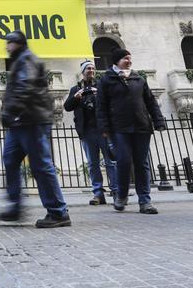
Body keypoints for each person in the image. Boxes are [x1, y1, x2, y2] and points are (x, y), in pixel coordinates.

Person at [0, 30, 72, 228]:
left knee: (41, 165)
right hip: (19, 122)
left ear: (18, 43)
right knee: (10, 160)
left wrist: (9, 111)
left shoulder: (26, 59)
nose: (6, 47)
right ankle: (15, 207)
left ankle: (58, 212)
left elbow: (25, 88)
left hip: (32, 121)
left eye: (9, 43)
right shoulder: (20, 60)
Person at [96, 49, 166, 214]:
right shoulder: (106, 80)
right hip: (119, 127)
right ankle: (121, 196)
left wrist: (158, 121)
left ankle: (145, 201)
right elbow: (101, 106)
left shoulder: (139, 79)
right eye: (125, 59)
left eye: (130, 58)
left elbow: (150, 102)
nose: (129, 61)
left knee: (142, 163)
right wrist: (104, 128)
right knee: (124, 161)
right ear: (117, 61)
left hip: (141, 126)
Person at [64, 60, 117, 205]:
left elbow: (112, 102)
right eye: (88, 68)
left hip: (103, 130)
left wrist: (99, 94)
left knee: (110, 162)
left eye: (93, 68)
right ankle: (98, 193)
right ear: (83, 71)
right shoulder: (76, 88)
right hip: (86, 131)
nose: (91, 70)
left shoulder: (101, 86)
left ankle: (116, 191)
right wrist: (76, 97)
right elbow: (67, 107)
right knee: (92, 164)